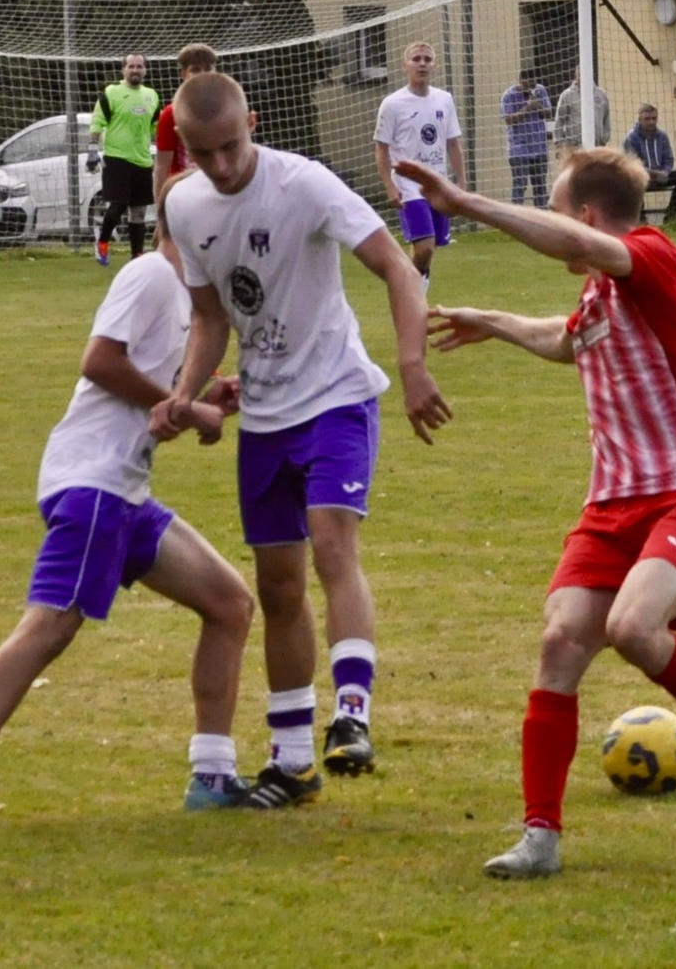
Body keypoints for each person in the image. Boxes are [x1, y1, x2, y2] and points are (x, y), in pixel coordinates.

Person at [396, 150, 676, 879]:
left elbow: (571, 245)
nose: (553, 221)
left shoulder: (651, 256)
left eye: (557, 208)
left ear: (589, 217)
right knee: (561, 640)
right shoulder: (600, 293)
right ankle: (540, 837)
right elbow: (568, 339)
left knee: (632, 627)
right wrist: (492, 321)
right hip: (612, 502)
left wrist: (463, 204)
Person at [0, 173, 256, 840]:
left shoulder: (187, 299)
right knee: (50, 627)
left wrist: (205, 396)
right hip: (93, 484)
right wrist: (184, 407)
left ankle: (212, 777)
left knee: (229, 603)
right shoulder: (151, 275)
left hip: (125, 491)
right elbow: (99, 362)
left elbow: (155, 393)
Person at [150, 72, 452, 809]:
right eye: (203, 153)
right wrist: (185, 393)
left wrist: (412, 367)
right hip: (265, 414)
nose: (221, 166)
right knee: (277, 585)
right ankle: (291, 762)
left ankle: (351, 716)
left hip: (337, 396)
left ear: (253, 122)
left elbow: (395, 267)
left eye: (231, 146)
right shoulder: (182, 205)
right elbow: (210, 317)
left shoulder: (304, 183)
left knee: (331, 545)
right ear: (182, 146)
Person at [373, 41, 465, 290]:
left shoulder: (444, 99)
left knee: (428, 248)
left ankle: (413, 291)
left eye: (427, 59)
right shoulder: (392, 104)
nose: (422, 64)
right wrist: (389, 186)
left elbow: (453, 143)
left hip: (436, 184)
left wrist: (460, 182)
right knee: (425, 247)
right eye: (416, 59)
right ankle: (408, 293)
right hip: (408, 185)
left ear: (434, 66)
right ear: (405, 65)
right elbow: (381, 149)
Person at [89, 53, 161, 266]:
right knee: (118, 205)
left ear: (145, 70)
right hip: (117, 158)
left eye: (139, 66)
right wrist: (92, 150)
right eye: (131, 66)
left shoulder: (152, 95)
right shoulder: (112, 92)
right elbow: (97, 122)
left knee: (139, 212)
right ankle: (102, 242)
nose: (135, 70)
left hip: (142, 161)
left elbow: (154, 127)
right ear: (123, 69)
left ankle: (136, 255)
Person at [152, 43, 217, 207]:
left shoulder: (226, 108)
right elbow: (162, 168)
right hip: (184, 197)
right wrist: (161, 212)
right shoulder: (171, 114)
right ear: (184, 74)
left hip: (218, 194)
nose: (203, 74)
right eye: (195, 69)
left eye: (208, 68)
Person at [622, 104, 676, 220]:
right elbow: (633, 165)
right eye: (647, 119)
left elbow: (669, 159)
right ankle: (641, 218)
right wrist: (653, 173)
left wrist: (665, 172)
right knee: (631, 182)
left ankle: (670, 215)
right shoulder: (631, 138)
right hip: (641, 176)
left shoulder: (662, 136)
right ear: (640, 120)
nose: (651, 122)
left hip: (661, 174)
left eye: (654, 118)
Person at [501, 70, 551, 208]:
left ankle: (541, 217)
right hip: (519, 149)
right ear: (521, 81)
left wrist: (538, 105)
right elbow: (509, 120)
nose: (532, 88)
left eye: (534, 84)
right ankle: (516, 217)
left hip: (539, 148)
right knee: (520, 185)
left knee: (540, 186)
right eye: (529, 85)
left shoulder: (540, 91)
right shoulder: (509, 95)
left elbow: (548, 113)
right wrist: (527, 107)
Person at [551, 67, 611, 157]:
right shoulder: (567, 95)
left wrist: (604, 138)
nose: (583, 77)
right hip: (575, 148)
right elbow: (559, 121)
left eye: (585, 74)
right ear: (575, 76)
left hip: (597, 147)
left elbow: (606, 118)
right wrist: (558, 145)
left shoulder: (601, 94)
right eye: (580, 75)